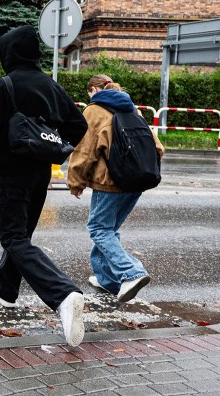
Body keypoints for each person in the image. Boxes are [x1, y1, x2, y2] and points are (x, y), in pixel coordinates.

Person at [0, 25, 90, 346]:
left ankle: (62, 293)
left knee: (13, 236)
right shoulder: (50, 85)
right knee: (21, 236)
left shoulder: (5, 86)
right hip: (41, 172)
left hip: (13, 171)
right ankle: (4, 289)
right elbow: (78, 124)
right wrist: (52, 145)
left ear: (8, 53)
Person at [68, 74, 162, 302]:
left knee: (99, 229)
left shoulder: (94, 110)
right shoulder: (133, 109)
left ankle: (132, 272)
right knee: (109, 229)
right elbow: (157, 147)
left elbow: (85, 151)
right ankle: (108, 280)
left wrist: (76, 181)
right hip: (138, 181)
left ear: (93, 90)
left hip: (110, 183)